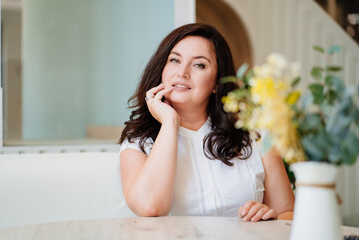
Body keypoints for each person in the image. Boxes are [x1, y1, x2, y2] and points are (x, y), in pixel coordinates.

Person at [118, 23, 294, 221]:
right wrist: (169, 123)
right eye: (175, 60)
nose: (182, 73)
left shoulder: (256, 134)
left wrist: (269, 217)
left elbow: (288, 214)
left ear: (216, 84)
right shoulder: (138, 143)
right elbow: (151, 207)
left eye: (199, 65)